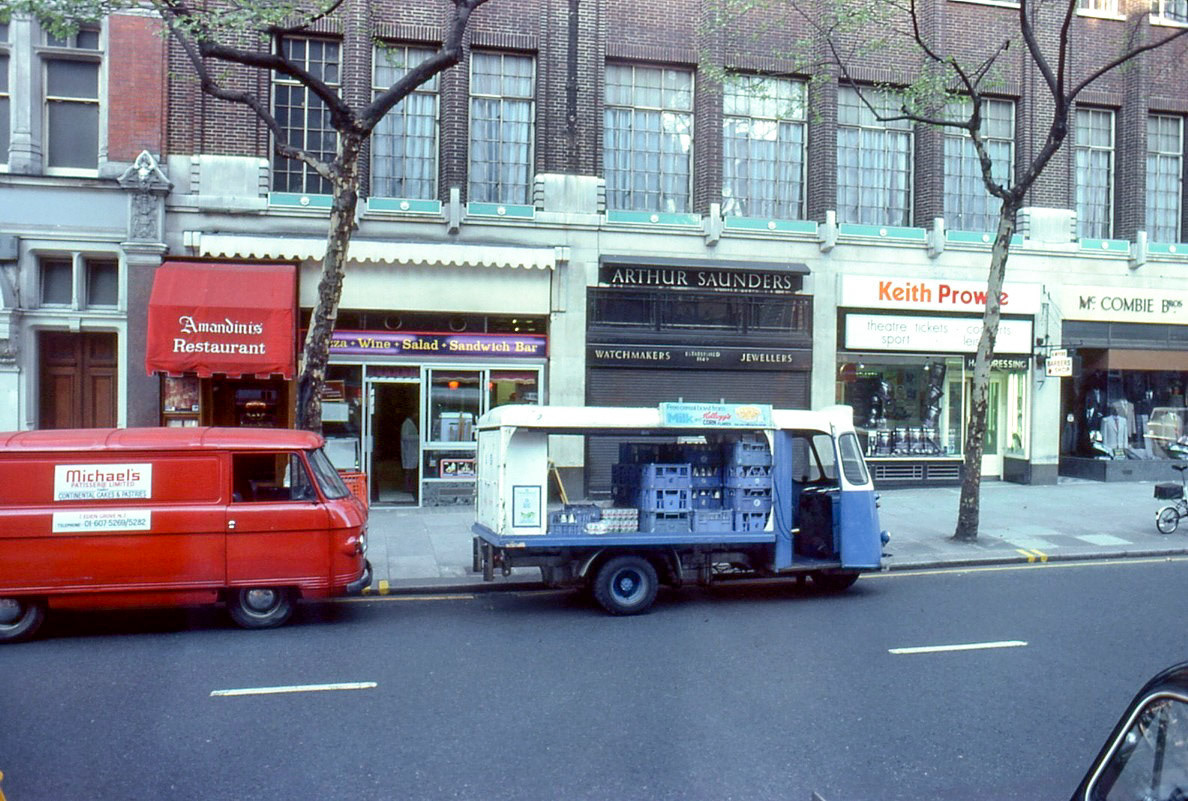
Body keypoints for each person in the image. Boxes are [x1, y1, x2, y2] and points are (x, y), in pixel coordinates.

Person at [400, 417, 419, 493]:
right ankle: (407, 487)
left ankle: (410, 486)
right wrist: (418, 437)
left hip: (412, 450)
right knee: (409, 471)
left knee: (411, 471)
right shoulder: (407, 424)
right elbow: (404, 436)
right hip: (409, 450)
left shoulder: (410, 423)